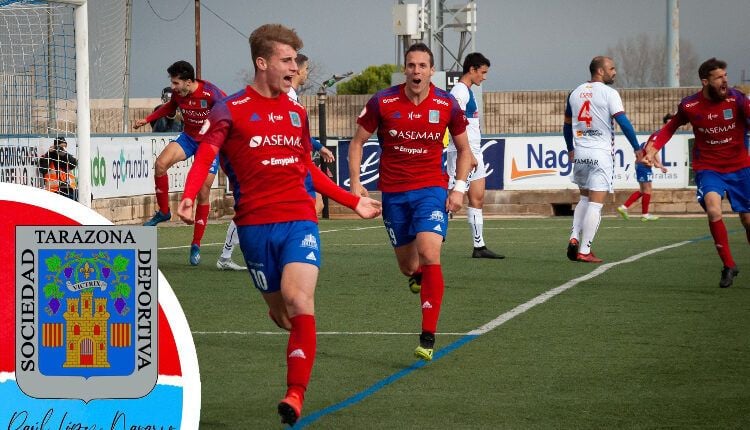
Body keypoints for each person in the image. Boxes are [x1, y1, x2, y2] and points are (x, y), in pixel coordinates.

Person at [175, 24, 382, 425]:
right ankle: (287, 327)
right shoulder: (229, 109)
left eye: (294, 61)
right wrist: (188, 193)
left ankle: (294, 394)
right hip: (254, 228)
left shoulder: (295, 112)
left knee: (300, 300)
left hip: (298, 221)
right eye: (287, 61)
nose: (294, 69)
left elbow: (307, 169)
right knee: (284, 314)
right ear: (262, 62)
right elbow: (206, 155)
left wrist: (352, 200)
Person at [348, 42, 474, 362]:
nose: (416, 71)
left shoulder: (447, 104)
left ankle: (428, 336)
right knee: (409, 266)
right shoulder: (383, 101)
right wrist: (356, 184)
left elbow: (465, 152)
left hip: (431, 190)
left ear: (433, 71)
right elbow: (357, 143)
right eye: (411, 65)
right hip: (393, 193)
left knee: (430, 252)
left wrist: (458, 189)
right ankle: (417, 277)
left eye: (422, 66)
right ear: (404, 69)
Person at [216, 52, 337, 271]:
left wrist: (317, 148)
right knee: (258, 208)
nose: (306, 72)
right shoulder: (286, 94)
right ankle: (292, 250)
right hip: (272, 168)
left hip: (291, 164)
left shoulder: (292, 96)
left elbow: (297, 133)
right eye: (305, 67)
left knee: (313, 203)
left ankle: (297, 250)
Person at [644, 58, 750, 288]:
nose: (725, 80)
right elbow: (670, 127)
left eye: (725, 75)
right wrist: (653, 147)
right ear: (705, 81)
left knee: (747, 220)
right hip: (709, 168)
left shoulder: (738, 99)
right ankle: (729, 265)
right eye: (719, 77)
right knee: (713, 209)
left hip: (740, 167)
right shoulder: (690, 106)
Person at [134, 60, 226, 266]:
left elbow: (230, 109)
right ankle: (164, 211)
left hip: (209, 143)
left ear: (188, 81)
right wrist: (148, 119)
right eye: (172, 83)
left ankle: (196, 244)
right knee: (160, 165)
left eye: (176, 83)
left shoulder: (211, 93)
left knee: (203, 191)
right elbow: (170, 107)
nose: (173, 88)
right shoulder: (178, 94)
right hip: (189, 138)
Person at [564, 56, 642, 263]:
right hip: (600, 154)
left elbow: (566, 125)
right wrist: (637, 148)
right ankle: (585, 249)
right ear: (600, 71)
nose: (615, 72)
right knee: (596, 205)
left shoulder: (574, 93)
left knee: (583, 198)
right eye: (612, 68)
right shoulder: (609, 93)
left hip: (580, 153)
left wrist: (570, 148)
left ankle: (573, 237)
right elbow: (623, 122)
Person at [447, 52, 504, 259]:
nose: (484, 77)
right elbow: (455, 123)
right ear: (472, 70)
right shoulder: (460, 92)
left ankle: (479, 246)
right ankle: (431, 238)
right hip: (463, 152)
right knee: (451, 200)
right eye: (483, 72)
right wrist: (467, 153)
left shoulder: (468, 91)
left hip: (474, 152)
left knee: (477, 198)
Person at [617, 114, 672, 222]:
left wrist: (659, 164)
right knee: (647, 189)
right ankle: (644, 214)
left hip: (642, 163)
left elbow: (654, 151)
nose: (671, 125)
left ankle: (624, 208)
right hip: (643, 164)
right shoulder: (659, 134)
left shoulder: (660, 135)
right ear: (665, 124)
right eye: (669, 123)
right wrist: (654, 162)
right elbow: (648, 148)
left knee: (643, 190)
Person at [38, 136, 78, 201]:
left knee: (87, 195)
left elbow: (73, 164)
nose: (62, 149)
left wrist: (64, 153)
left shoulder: (66, 158)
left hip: (68, 189)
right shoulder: (48, 157)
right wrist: (50, 153)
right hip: (55, 191)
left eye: (64, 147)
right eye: (60, 147)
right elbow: (42, 169)